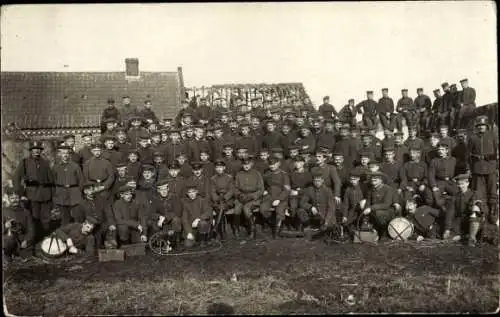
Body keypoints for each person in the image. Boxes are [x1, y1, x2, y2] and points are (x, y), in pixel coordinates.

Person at [13, 140, 54, 239]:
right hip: (32, 195)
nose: (36, 151)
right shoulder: (24, 162)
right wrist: (19, 193)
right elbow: (16, 177)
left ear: (41, 151)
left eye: (38, 149)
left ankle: (45, 239)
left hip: (46, 194)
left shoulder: (45, 162)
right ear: (31, 151)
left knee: (46, 219)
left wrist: (53, 194)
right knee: (34, 218)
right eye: (34, 149)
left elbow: (51, 179)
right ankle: (35, 239)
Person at [443, 174, 486, 246]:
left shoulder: (474, 194)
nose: (460, 186)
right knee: (447, 237)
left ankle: (471, 239)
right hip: (461, 221)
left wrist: (475, 207)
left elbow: (478, 208)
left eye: (462, 184)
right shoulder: (455, 196)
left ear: (467, 183)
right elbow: (450, 212)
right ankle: (464, 236)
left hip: (473, 220)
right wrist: (447, 229)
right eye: (458, 184)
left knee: (474, 212)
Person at [468, 116, 498, 218]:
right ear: (477, 126)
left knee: (492, 190)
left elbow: (496, 151)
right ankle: (482, 213)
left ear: (486, 126)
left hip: (491, 167)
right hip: (477, 168)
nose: (481, 127)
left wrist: (496, 166)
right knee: (479, 192)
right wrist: (469, 169)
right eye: (479, 125)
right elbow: (468, 155)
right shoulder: (473, 138)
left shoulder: (492, 136)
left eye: (483, 125)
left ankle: (493, 210)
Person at [298, 168, 338, 237]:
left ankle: (319, 229)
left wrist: (326, 222)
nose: (316, 182)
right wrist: (311, 207)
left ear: (322, 180)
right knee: (300, 211)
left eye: (318, 180)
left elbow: (331, 208)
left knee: (328, 229)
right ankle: (308, 226)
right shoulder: (310, 189)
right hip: (315, 214)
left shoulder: (328, 191)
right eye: (315, 181)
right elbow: (302, 202)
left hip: (325, 214)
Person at [52, 145, 84, 226]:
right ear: (60, 154)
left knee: (77, 216)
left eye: (67, 153)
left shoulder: (75, 166)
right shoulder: (56, 167)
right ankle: (64, 235)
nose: (65, 155)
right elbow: (53, 181)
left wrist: (78, 192)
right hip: (62, 193)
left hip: (74, 193)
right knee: (64, 218)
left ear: (69, 155)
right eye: (63, 153)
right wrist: (57, 193)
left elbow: (81, 180)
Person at [234, 157, 265, 239]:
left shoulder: (256, 174)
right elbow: (235, 188)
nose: (246, 166)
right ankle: (236, 230)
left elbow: (261, 189)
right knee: (237, 208)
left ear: (251, 164)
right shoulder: (239, 174)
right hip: (242, 196)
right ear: (242, 165)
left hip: (254, 198)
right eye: (244, 164)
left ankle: (252, 231)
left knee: (246, 208)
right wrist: (240, 195)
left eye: (248, 164)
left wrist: (252, 196)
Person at [260, 157, 290, 237]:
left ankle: (277, 231)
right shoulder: (267, 174)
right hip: (269, 196)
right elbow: (263, 184)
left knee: (280, 212)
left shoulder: (284, 174)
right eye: (270, 164)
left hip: (281, 197)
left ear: (278, 164)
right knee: (263, 209)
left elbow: (287, 190)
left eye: (273, 164)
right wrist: (264, 190)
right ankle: (273, 222)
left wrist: (279, 199)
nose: (271, 166)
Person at [361, 171, 396, 239]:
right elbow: (368, 202)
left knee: (378, 213)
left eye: (375, 180)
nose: (373, 181)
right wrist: (365, 209)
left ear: (381, 180)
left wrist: (371, 208)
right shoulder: (370, 189)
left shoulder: (388, 189)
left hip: (388, 211)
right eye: (372, 179)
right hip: (375, 210)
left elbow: (386, 205)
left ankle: (384, 233)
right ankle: (372, 232)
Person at [3, 188, 35, 260]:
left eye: (16, 198)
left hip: (22, 239)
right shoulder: (4, 211)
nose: (15, 200)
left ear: (19, 198)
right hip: (9, 238)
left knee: (27, 256)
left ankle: (16, 252)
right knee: (8, 240)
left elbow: (31, 230)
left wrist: (26, 240)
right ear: (8, 199)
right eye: (12, 198)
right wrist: (5, 226)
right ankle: (7, 253)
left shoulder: (26, 212)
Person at [148, 179, 183, 247]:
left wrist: (165, 217)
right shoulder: (155, 199)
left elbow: (178, 212)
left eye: (165, 189)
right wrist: (159, 217)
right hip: (162, 224)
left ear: (168, 189)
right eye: (161, 189)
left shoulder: (174, 197)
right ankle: (159, 241)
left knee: (176, 220)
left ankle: (177, 241)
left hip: (172, 223)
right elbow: (151, 213)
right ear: (158, 190)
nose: (164, 191)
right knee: (152, 222)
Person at [181, 183, 212, 247]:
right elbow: (185, 220)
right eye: (189, 192)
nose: (191, 194)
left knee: (202, 223)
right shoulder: (185, 203)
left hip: (201, 226)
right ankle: (196, 239)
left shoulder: (202, 200)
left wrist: (198, 219)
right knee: (188, 245)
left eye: (193, 192)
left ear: (196, 192)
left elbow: (208, 212)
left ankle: (203, 241)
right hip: (192, 228)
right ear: (187, 194)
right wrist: (189, 232)